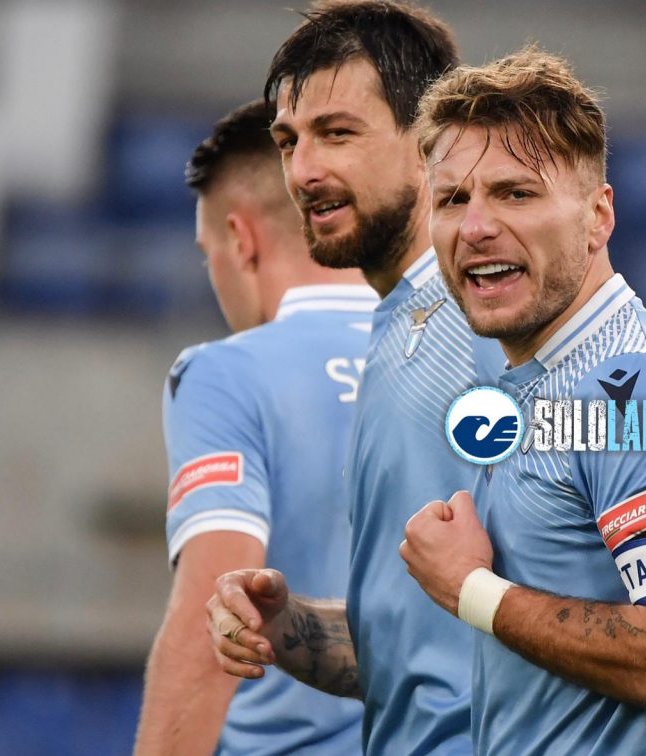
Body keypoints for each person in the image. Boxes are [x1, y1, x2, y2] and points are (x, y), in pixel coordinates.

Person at [398, 47, 646, 755]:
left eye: (516, 193)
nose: (475, 227)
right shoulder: (541, 382)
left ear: (598, 217)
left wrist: (471, 588)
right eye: (453, 199)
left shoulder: (630, 389)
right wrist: (293, 630)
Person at [204, 3, 502, 753]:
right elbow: (418, 647)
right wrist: (287, 625)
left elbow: (616, 607)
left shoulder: (492, 329)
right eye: (288, 142)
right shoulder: (398, 331)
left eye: (337, 133)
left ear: (430, 142)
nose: (304, 172)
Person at [134, 98, 375, 755]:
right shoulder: (471, 354)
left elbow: (212, 620)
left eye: (208, 252)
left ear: (240, 241)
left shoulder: (226, 373)